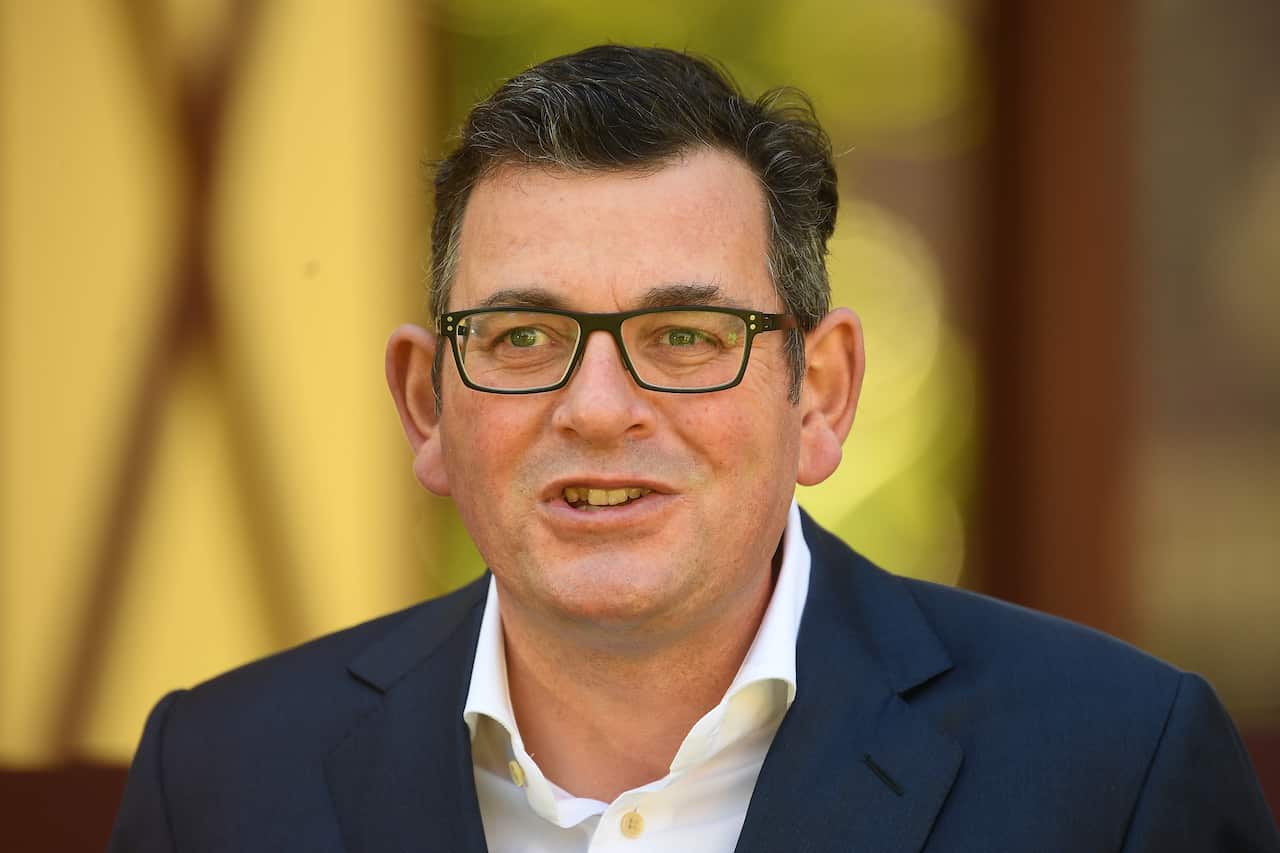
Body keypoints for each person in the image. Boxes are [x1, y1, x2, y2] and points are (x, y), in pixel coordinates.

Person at [110, 45, 1278, 852]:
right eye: (522, 336)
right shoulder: (217, 775)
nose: (599, 406)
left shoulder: (1112, 769)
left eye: (682, 334)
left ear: (816, 394)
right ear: (427, 404)